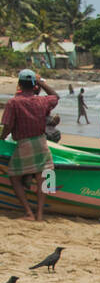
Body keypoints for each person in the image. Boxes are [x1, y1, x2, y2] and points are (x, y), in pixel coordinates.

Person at [0, 70, 60, 222]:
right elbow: (56, 96)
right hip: (41, 143)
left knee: (14, 176)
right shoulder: (42, 101)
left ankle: (28, 212)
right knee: (44, 178)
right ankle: (40, 215)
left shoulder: (13, 102)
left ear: (19, 84)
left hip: (24, 144)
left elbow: (7, 125)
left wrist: (1, 137)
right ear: (34, 85)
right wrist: (41, 82)